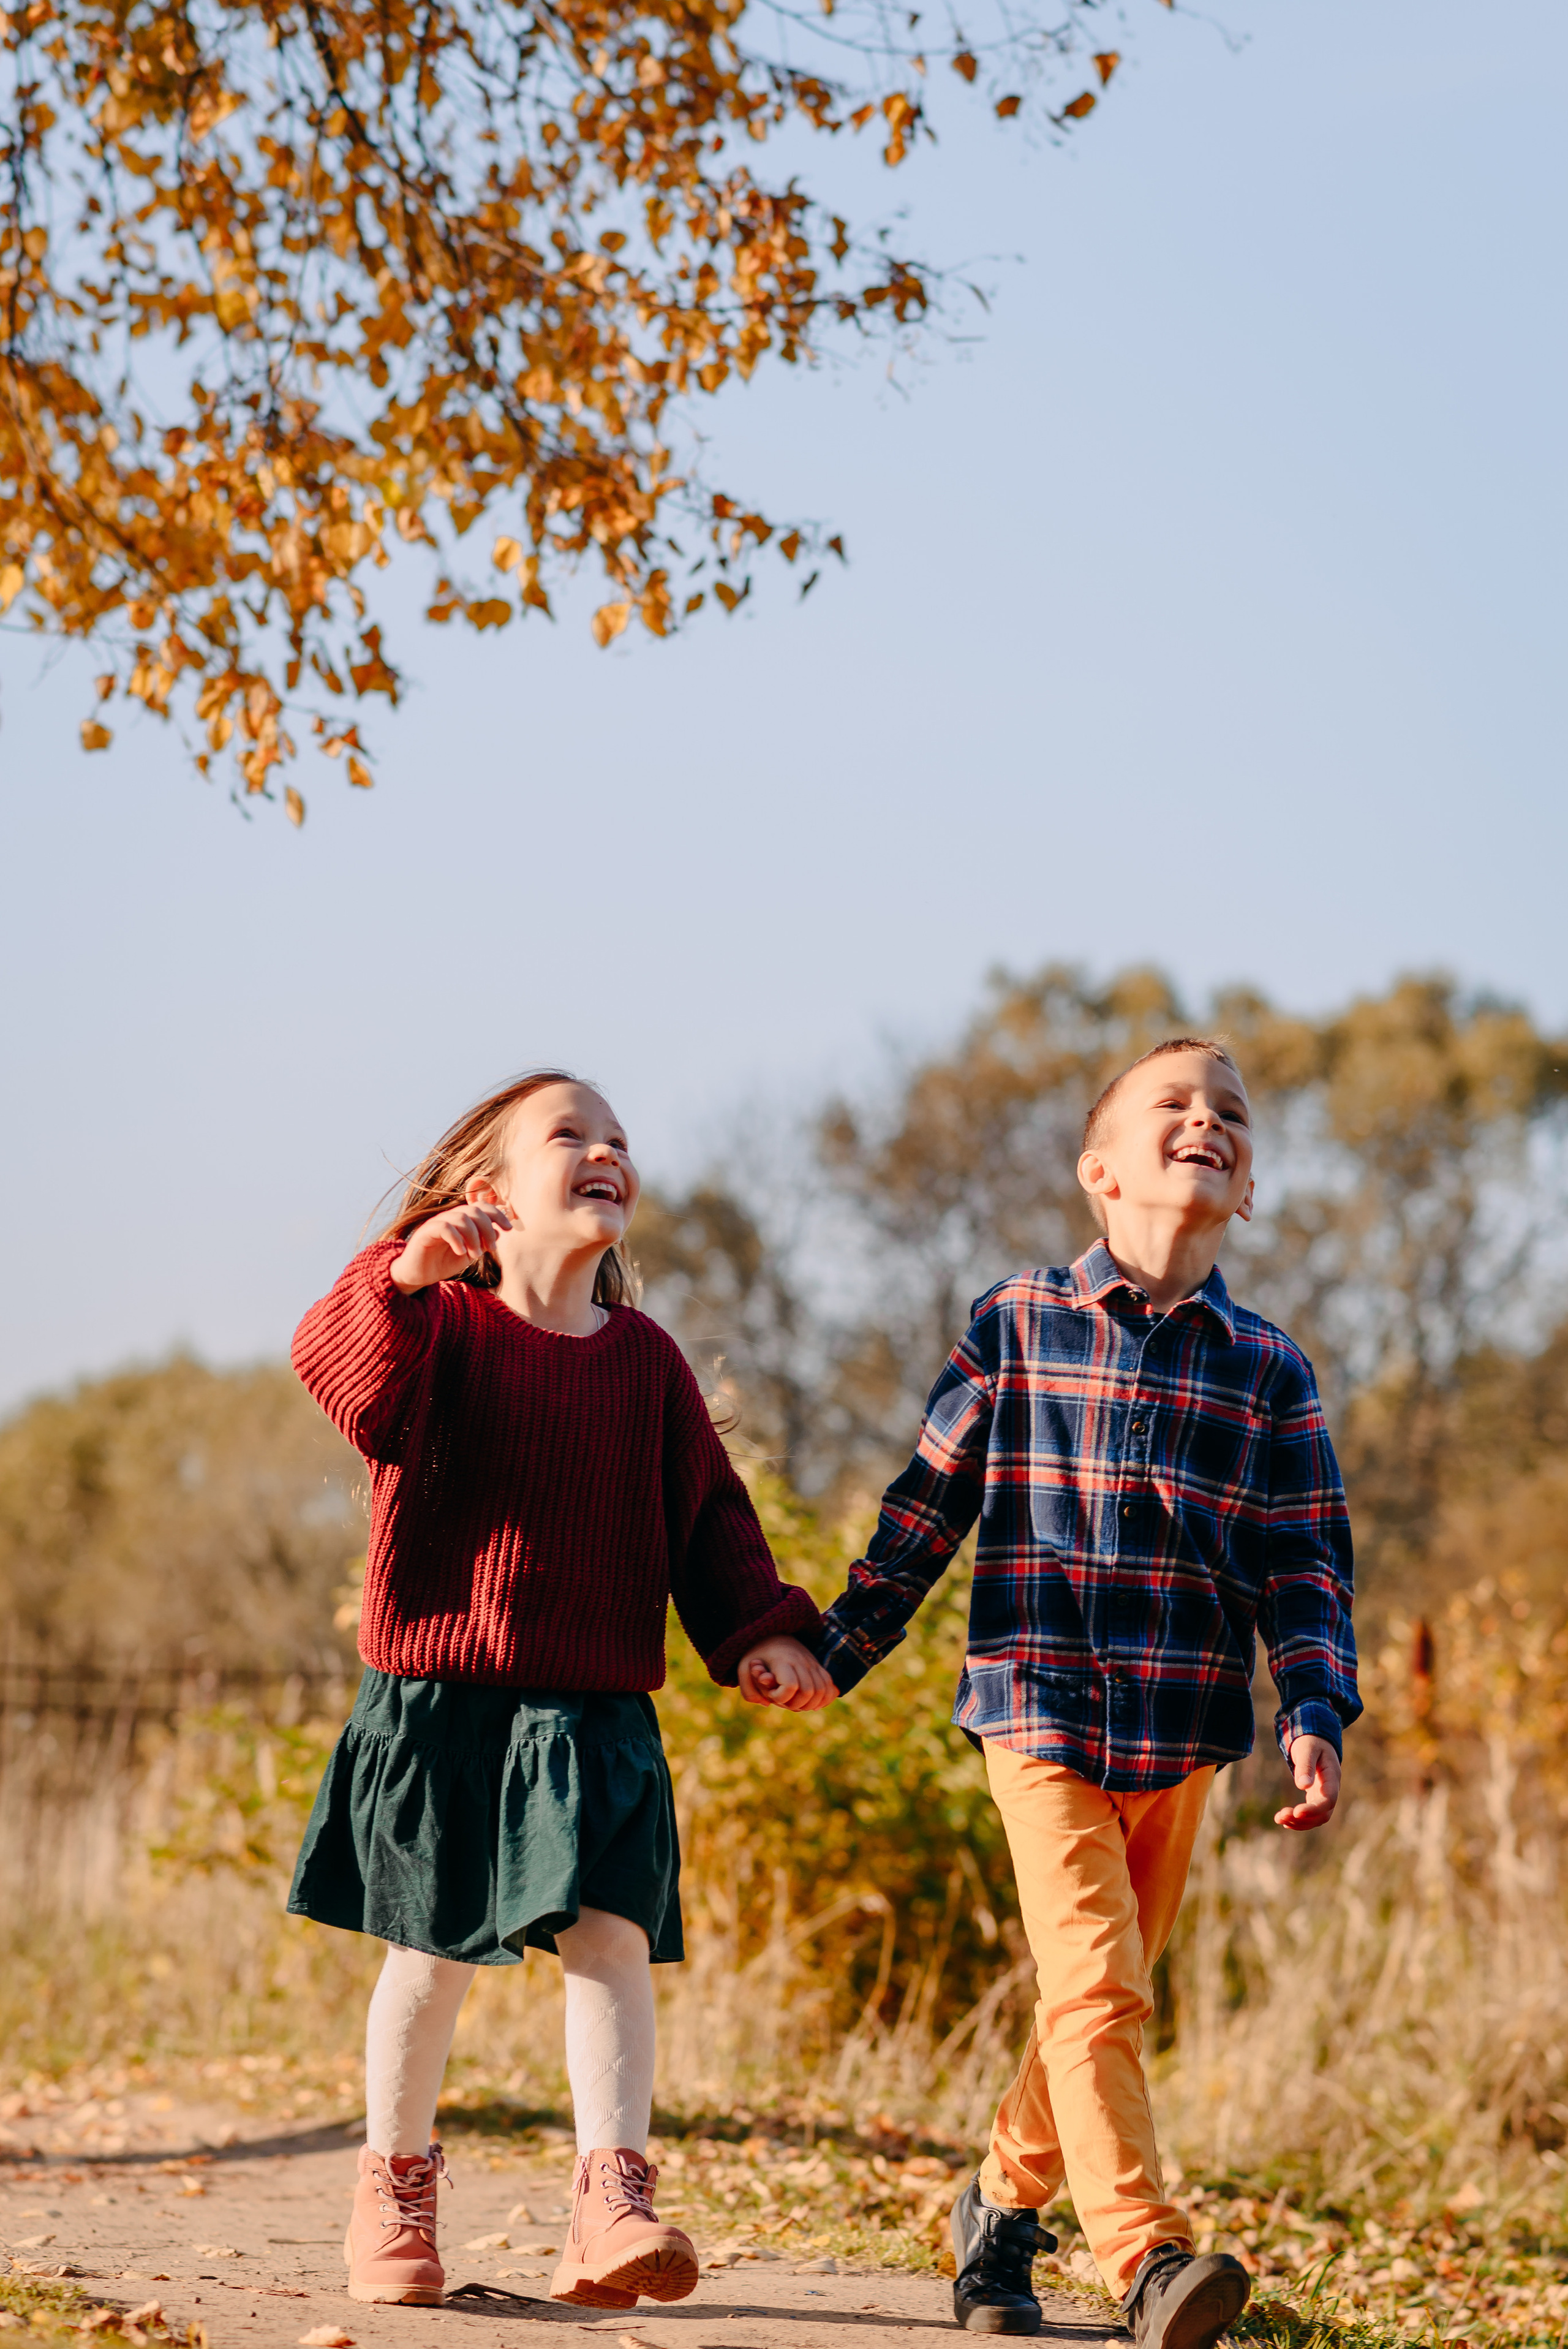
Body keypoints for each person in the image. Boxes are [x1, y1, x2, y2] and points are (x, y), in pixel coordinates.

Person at [811, 1039, 1360, 2348]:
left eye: (1231, 1114)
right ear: (1097, 1170)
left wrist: (1313, 1709)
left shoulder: (1269, 1368)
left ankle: (999, 2210)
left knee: (1091, 1999)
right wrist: (836, 1648)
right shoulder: (1016, 1321)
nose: (1206, 1121)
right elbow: (925, 1508)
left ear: (1247, 1189)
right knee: (1102, 1985)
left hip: (1184, 1730)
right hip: (1036, 1704)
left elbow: (1305, 1560)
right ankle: (1145, 2258)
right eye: (1172, 1104)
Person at [287, 1070, 835, 2313]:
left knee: (612, 1941)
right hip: (443, 1702)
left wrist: (761, 1630)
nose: (606, 1150)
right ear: (489, 1191)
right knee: (430, 1959)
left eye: (619, 1138)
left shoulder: (646, 1363)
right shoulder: (437, 1332)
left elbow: (709, 1515)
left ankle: (610, 2202)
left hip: (594, 1711)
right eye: (571, 1133)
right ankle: (393, 2188)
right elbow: (342, 1377)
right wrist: (404, 1272)